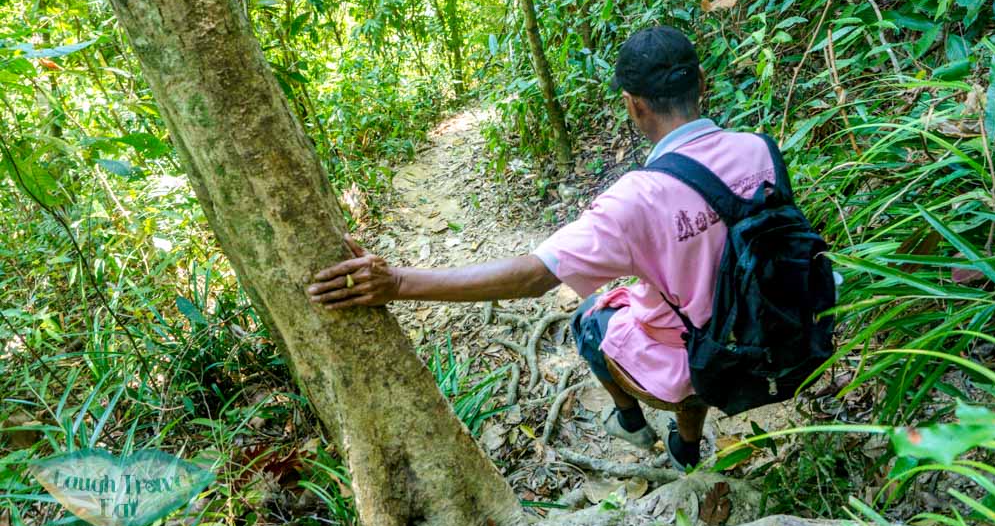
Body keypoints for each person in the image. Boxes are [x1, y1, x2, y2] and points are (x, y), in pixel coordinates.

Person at [306, 25, 777, 470]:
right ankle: (686, 445)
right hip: (765, 334)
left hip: (696, 357)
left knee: (589, 321)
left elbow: (534, 276)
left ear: (633, 106)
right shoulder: (761, 149)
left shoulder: (638, 198)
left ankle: (631, 422)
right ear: (702, 81)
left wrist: (399, 283)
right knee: (678, 321)